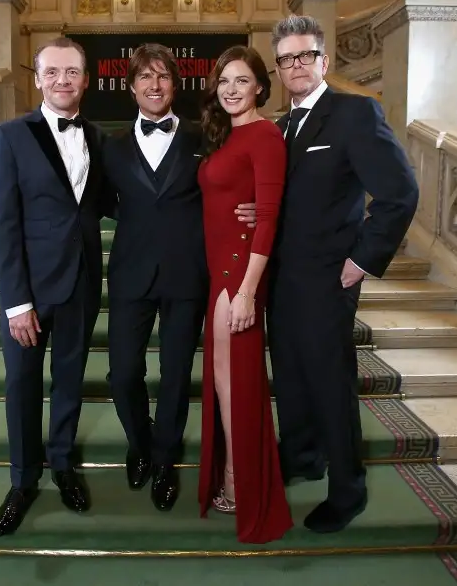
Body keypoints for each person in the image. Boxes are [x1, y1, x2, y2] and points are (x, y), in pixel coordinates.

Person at [266, 14, 419, 533]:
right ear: (279, 68)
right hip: (282, 278)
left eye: (305, 55)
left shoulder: (355, 114)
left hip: (331, 276)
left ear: (324, 61)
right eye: (287, 59)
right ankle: (304, 456)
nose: (297, 66)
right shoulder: (279, 126)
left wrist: (362, 260)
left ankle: (347, 488)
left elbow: (399, 194)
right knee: (289, 375)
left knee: (330, 383)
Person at [103, 43, 256, 511]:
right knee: (122, 372)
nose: (154, 86)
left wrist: (248, 208)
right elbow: (102, 204)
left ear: (175, 83)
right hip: (130, 274)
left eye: (163, 77)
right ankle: (140, 444)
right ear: (131, 88)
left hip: (188, 274)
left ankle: (165, 461)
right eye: (145, 78)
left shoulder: (203, 137)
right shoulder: (111, 147)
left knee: (174, 376)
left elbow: (228, 184)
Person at [0, 37, 110, 537]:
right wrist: (16, 302)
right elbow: (2, 224)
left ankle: (62, 465)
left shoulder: (98, 138)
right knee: (22, 386)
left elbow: (118, 201)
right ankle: (22, 481)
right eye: (53, 72)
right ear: (37, 79)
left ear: (86, 79)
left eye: (72, 72)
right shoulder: (9, 136)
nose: (63, 80)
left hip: (80, 284)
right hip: (28, 292)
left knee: (71, 382)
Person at [196, 45, 293, 544]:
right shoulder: (227, 135)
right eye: (224, 81)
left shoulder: (266, 135)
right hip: (220, 274)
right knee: (223, 383)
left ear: (259, 85)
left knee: (235, 385)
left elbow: (269, 217)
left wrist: (248, 292)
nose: (230, 89)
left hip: (238, 278)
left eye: (241, 80)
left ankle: (241, 482)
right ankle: (234, 474)